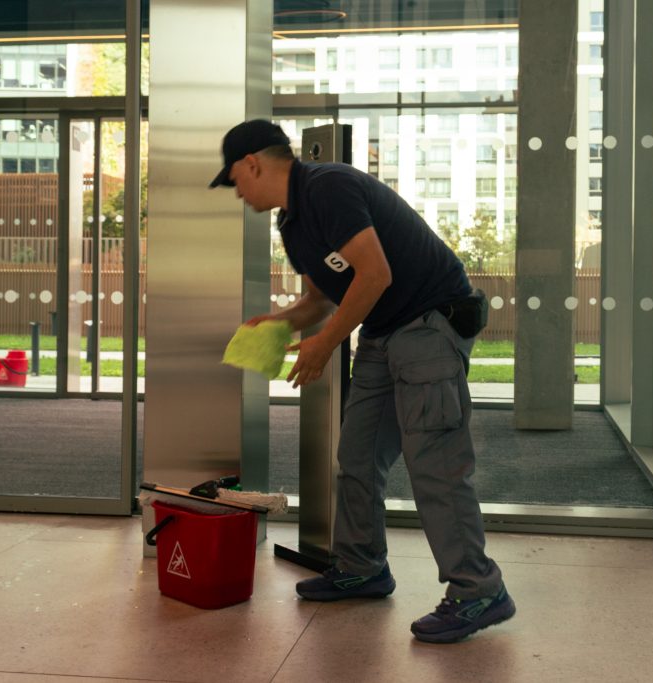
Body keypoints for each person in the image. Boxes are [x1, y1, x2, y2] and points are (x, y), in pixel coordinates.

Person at [210, 119, 514, 644]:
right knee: (357, 456)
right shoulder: (292, 222)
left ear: (252, 164)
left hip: (430, 319)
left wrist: (325, 345)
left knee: (435, 465)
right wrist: (280, 323)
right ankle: (363, 567)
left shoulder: (329, 187)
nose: (236, 190)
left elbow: (375, 274)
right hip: (385, 328)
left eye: (235, 179)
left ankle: (477, 590)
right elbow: (320, 299)